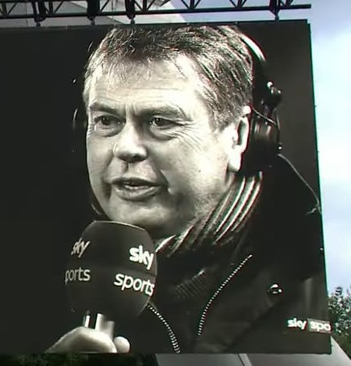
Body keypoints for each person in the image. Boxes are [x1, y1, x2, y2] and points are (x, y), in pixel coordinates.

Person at [48, 25, 330, 354]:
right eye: (107, 121)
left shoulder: (316, 275)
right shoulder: (45, 264)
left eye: (160, 122)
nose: (125, 148)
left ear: (238, 137)